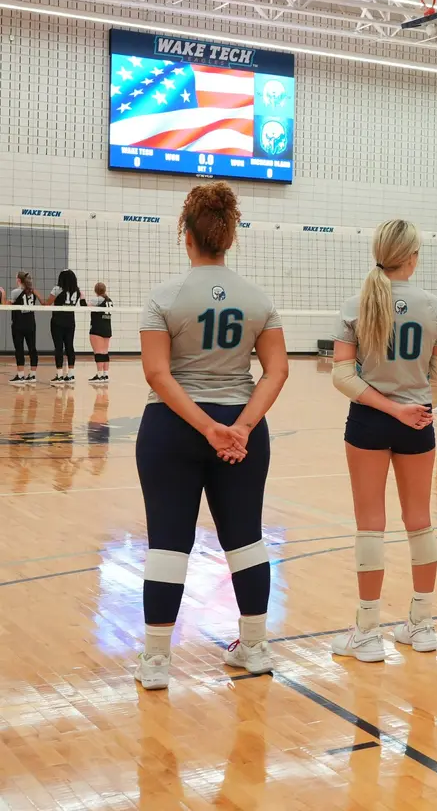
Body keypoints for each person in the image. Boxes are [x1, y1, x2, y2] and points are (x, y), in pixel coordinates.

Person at [133, 182, 289, 690]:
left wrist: (206, 427)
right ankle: (255, 647)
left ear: (187, 234)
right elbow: (276, 371)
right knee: (245, 538)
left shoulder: (164, 298)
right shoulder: (258, 299)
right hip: (242, 430)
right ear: (230, 235)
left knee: (168, 542)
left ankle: (157, 661)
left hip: (172, 429)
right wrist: (239, 427)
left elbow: (158, 375)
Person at [330, 219, 437, 661]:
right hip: (417, 420)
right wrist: (413, 400)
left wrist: (387, 405)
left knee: (370, 523)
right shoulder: (433, 306)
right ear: (413, 257)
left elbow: (342, 375)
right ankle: (422, 624)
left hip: (368, 420)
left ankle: (367, 631)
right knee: (420, 520)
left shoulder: (355, 305)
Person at [49, 269, 86, 385]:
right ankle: (71, 375)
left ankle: (59, 375)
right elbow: (84, 305)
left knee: (58, 347)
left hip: (57, 322)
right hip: (70, 322)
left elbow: (47, 303)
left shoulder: (57, 289)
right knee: (70, 347)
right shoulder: (77, 291)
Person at [8, 272, 39, 384]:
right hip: (31, 323)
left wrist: (2, 294)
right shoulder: (33, 291)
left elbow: (7, 305)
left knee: (19, 349)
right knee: (32, 349)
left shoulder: (16, 292)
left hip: (18, 324)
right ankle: (33, 375)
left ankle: (21, 376)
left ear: (19, 280)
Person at [89, 282, 113, 384]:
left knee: (98, 352)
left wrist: (81, 297)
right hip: (107, 328)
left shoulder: (97, 299)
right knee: (105, 352)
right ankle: (105, 374)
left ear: (95, 290)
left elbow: (84, 306)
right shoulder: (109, 300)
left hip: (97, 328)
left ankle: (99, 375)